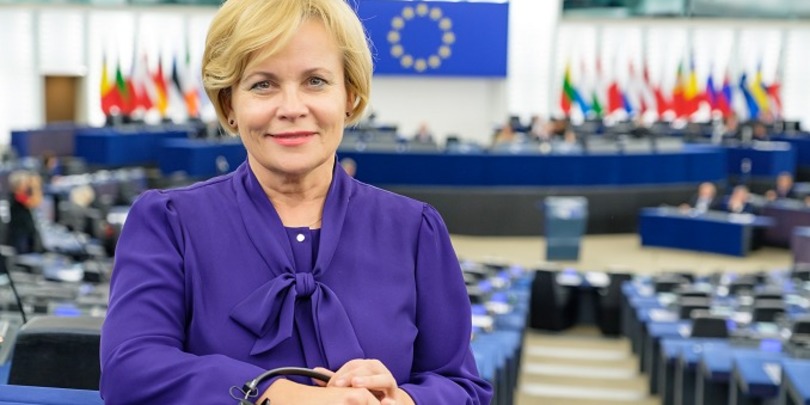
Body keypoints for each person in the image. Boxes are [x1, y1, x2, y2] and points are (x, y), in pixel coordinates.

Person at [99, 1, 492, 404]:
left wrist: (403, 402)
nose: (291, 108)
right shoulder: (169, 222)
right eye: (263, 84)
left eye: (315, 81)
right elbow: (129, 370)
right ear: (230, 105)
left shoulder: (414, 230)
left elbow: (462, 387)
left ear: (350, 96)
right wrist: (276, 394)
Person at [6, 170, 44, 254]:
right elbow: (34, 202)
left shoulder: (21, 195)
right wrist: (36, 187)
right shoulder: (18, 195)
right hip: (20, 233)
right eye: (25, 182)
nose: (27, 185)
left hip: (26, 231)